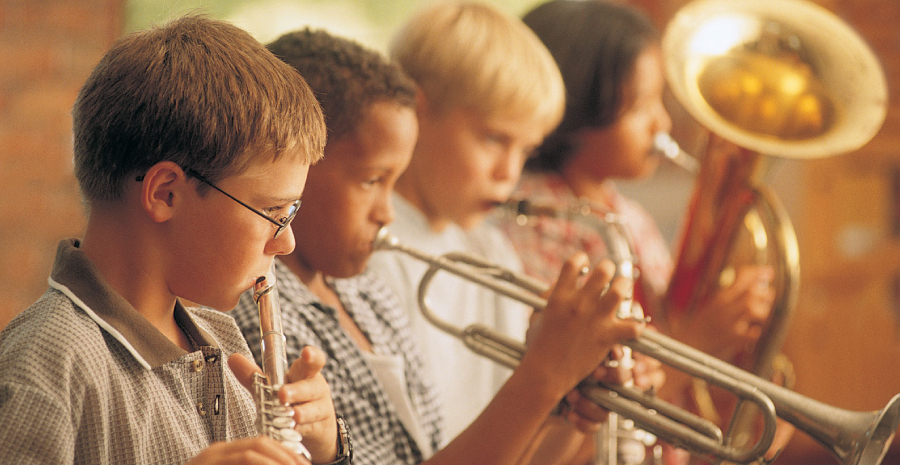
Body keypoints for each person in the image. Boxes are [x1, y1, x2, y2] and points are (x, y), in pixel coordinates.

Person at [230, 26, 645, 465]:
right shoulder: (264, 308)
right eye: (373, 181)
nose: (386, 213)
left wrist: (569, 410)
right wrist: (546, 374)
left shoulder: (365, 295)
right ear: (298, 172)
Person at [0, 15, 348, 465]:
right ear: (166, 193)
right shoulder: (44, 370)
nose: (287, 243)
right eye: (273, 213)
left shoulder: (221, 336)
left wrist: (328, 452)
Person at [497, 0, 789, 462]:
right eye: (640, 105)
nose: (663, 124)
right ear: (574, 115)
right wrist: (700, 345)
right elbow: (577, 415)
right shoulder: (533, 224)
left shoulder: (628, 215)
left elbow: (663, 335)